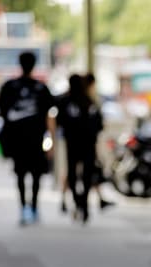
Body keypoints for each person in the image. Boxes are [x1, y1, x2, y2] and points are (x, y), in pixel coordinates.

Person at [0, 51, 55, 225]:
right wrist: (51, 140)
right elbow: (50, 116)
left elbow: (1, 112)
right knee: (36, 176)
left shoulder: (9, 87)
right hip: (35, 140)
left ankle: (24, 208)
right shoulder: (40, 88)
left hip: (17, 141)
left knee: (21, 176)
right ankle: (34, 207)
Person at [56, 72, 103, 224]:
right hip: (89, 143)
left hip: (72, 143)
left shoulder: (65, 101)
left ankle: (78, 201)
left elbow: (59, 122)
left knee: (72, 173)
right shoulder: (89, 101)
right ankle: (84, 203)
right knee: (87, 174)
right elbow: (99, 124)